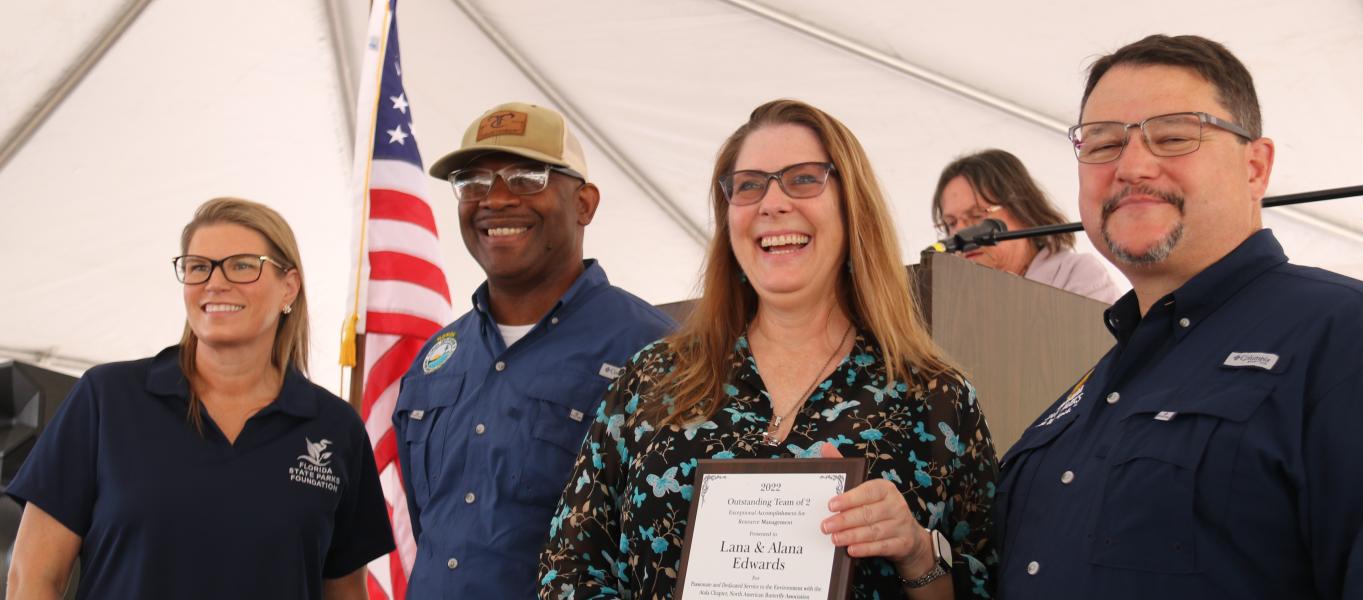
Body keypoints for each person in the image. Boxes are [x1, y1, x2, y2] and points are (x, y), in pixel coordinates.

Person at [992, 34, 1363, 599]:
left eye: (1175, 136)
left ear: (1256, 167)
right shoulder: (1091, 390)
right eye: (1103, 144)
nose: (1132, 165)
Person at [540, 99, 998, 599]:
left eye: (803, 179)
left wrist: (915, 551)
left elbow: (994, 586)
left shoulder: (935, 399)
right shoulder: (652, 380)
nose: (772, 203)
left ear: (853, 209)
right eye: (750, 185)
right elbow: (569, 572)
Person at [5, 198, 394, 599]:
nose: (215, 281)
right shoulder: (106, 399)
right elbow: (31, 580)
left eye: (242, 264)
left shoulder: (335, 427)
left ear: (289, 287)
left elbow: (347, 593)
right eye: (198, 266)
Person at [395, 102, 674, 597]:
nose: (495, 200)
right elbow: (427, 525)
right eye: (473, 183)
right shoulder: (438, 356)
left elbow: (670, 541)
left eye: (527, 177)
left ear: (585, 203)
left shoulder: (656, 350)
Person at [932, 149, 1120, 303]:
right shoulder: (951, 297)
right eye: (951, 223)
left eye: (977, 215)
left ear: (1022, 210)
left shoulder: (1075, 273)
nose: (960, 234)